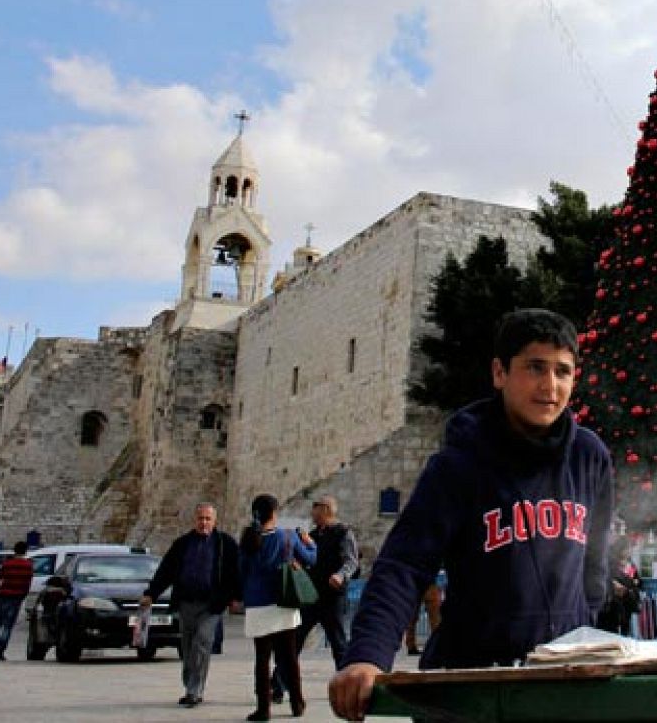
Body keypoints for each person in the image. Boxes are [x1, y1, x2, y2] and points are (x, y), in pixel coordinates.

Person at [330, 308, 614, 722]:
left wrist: (581, 628)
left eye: (562, 371)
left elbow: (595, 565)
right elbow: (405, 565)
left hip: (560, 686)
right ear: (500, 372)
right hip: (468, 687)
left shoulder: (591, 457)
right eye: (535, 367)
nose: (550, 386)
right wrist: (368, 656)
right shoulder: (458, 464)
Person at [142, 502, 242, 707]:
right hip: (186, 602)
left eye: (208, 519)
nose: (203, 522)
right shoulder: (182, 544)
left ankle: (194, 690)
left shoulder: (225, 544)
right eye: (200, 518)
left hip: (212, 605)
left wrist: (235, 598)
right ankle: (190, 685)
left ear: (215, 521)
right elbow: (166, 570)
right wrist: (151, 593)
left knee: (202, 643)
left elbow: (235, 573)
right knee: (187, 646)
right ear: (195, 520)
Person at [272, 495, 359, 703]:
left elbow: (351, 560)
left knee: (339, 644)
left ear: (326, 510)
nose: (312, 513)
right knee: (293, 642)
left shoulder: (343, 533)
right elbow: (304, 559)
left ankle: (347, 686)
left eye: (315, 508)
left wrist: (340, 575)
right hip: (310, 597)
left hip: (333, 599)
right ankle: (278, 686)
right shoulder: (311, 536)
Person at [239, 493, 318, 721]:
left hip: (257, 604)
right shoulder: (287, 537)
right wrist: (311, 544)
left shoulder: (247, 539)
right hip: (283, 602)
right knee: (289, 657)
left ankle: (263, 708)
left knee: (261, 659)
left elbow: (241, 571)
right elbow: (311, 559)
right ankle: (297, 702)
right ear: (274, 513)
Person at [0, 541, 33, 662]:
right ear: (25, 551)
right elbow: (27, 584)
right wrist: (22, 595)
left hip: (3, 596)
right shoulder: (28, 565)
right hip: (16, 598)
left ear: (14, 550)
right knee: (7, 626)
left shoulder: (7, 564)